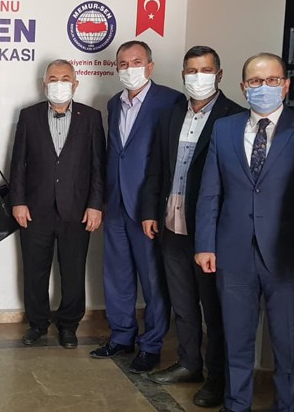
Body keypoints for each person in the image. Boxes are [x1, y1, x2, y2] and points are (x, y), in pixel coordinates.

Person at [195, 53, 294, 412]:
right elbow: (210, 191)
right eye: (255, 81)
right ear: (243, 87)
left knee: (289, 346)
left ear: (286, 85)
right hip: (233, 253)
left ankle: (288, 406)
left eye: (272, 80)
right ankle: (237, 404)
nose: (263, 87)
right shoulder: (225, 129)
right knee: (236, 342)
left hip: (287, 257)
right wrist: (205, 244)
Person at [138, 46, 245, 407]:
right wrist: (150, 211)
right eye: (191, 71)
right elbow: (157, 166)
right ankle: (188, 363)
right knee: (182, 302)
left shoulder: (234, 117)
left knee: (213, 309)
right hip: (172, 223)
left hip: (209, 231)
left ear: (219, 75)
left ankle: (216, 377)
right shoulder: (172, 115)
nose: (198, 77)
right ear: (183, 75)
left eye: (205, 70)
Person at [93, 40, 184, 374]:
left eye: (136, 61)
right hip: (116, 202)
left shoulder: (170, 101)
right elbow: (115, 152)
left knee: (153, 278)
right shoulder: (114, 103)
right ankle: (121, 336)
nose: (129, 68)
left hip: (148, 206)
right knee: (116, 275)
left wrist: (157, 206)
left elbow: (170, 158)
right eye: (123, 63)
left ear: (150, 66)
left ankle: (151, 345)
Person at [10, 59, 105, 349]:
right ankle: (37, 324)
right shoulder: (29, 116)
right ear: (44, 84)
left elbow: (98, 166)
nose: (59, 83)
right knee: (34, 271)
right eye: (53, 78)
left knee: (73, 271)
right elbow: (18, 163)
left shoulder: (91, 117)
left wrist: (95, 205)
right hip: (35, 209)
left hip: (77, 210)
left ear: (75, 84)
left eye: (65, 78)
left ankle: (68, 325)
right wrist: (18, 202)